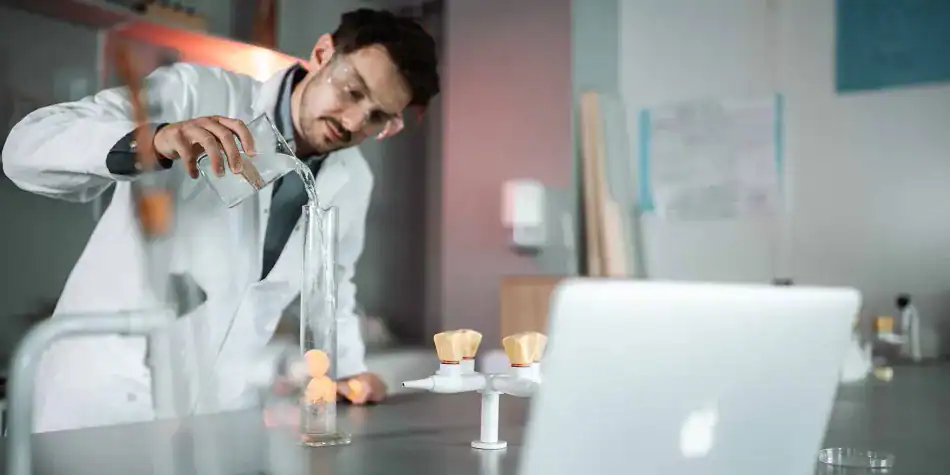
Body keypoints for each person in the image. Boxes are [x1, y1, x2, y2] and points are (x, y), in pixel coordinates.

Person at [1, 8, 439, 433]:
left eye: (377, 117)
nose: (352, 122)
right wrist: (155, 139)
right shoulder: (197, 92)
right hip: (106, 396)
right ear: (323, 53)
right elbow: (24, 149)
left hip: (218, 415)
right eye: (353, 90)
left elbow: (333, 285)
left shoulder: (353, 177)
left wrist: (347, 371)